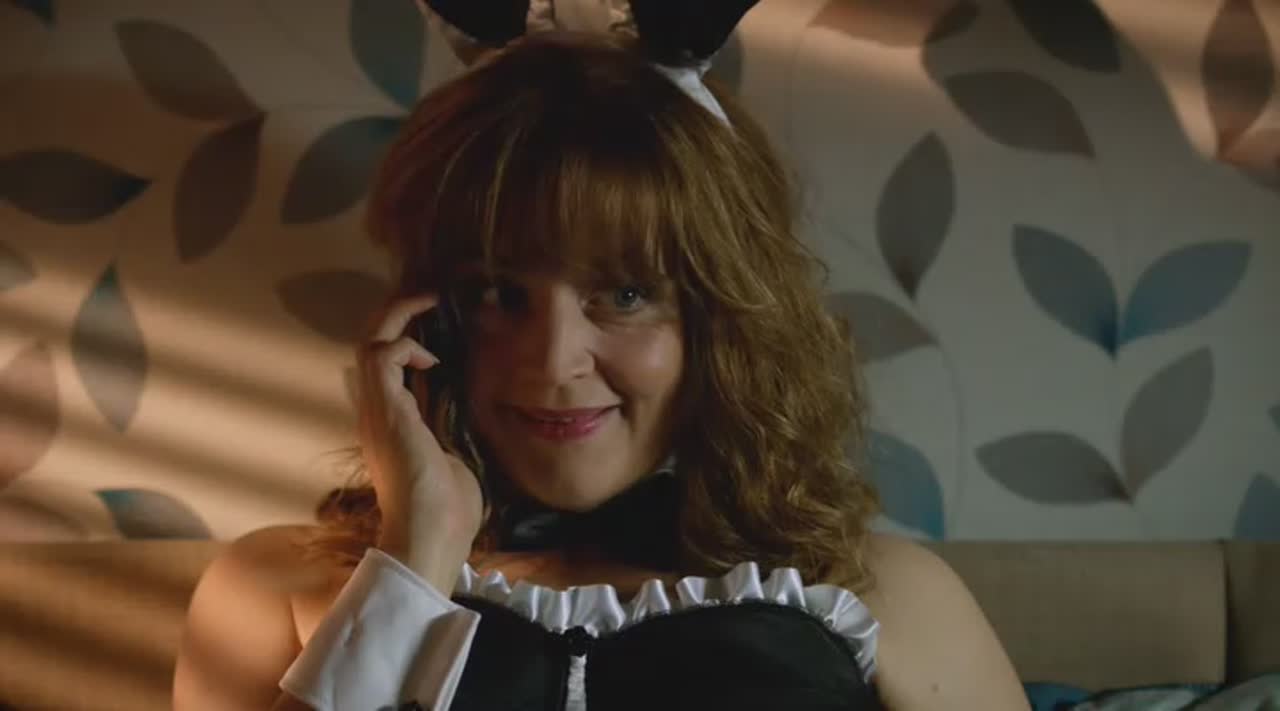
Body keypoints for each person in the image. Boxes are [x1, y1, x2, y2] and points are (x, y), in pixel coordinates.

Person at [173, 2, 1029, 709]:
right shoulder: (271, 589)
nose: (553, 363)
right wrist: (413, 558)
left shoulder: (888, 598)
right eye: (498, 291)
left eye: (623, 294)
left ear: (719, 320)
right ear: (430, 317)